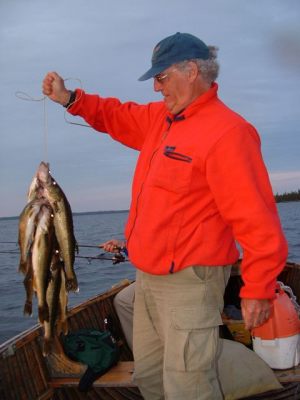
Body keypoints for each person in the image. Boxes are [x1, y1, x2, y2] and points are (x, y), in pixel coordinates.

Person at [42, 32, 288, 400]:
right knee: (151, 376)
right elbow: (116, 115)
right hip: (148, 277)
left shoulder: (229, 133)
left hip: (191, 282)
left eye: (161, 77)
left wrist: (258, 289)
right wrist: (70, 99)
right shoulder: (161, 119)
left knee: (188, 385)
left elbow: (258, 221)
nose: (156, 88)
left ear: (191, 71)